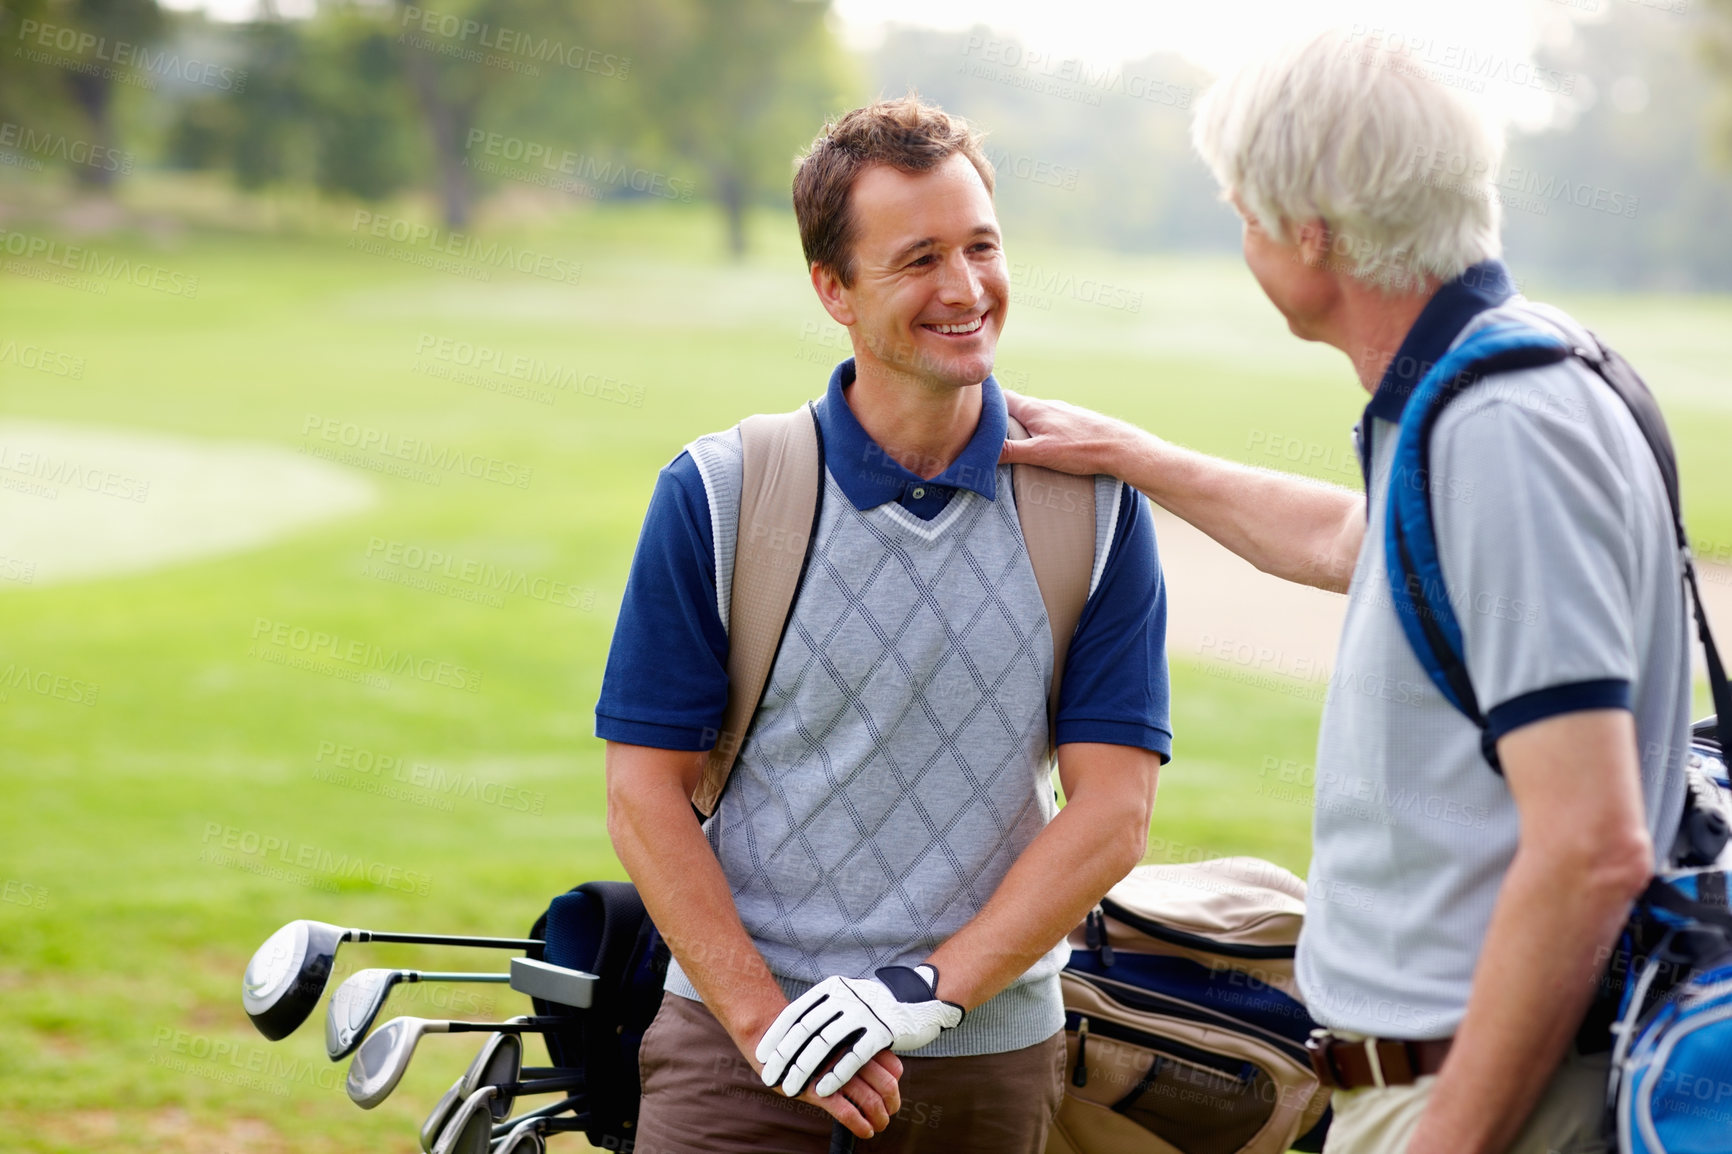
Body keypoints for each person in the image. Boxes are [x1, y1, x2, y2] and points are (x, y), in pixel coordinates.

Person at [1001, 29, 1690, 1154]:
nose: (1242, 238)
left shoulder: (1500, 431)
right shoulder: (1503, 376)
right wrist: (1138, 455)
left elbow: (1590, 842)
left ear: (1310, 234)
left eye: (1245, 211)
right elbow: (1358, 539)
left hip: (1479, 1099)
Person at [597, 96, 1171, 1153]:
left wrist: (925, 991)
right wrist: (774, 1028)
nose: (965, 289)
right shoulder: (720, 492)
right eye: (917, 259)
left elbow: (1113, 811)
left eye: (981, 246)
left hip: (988, 1059)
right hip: (738, 1060)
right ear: (833, 288)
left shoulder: (1092, 505)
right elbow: (642, 792)